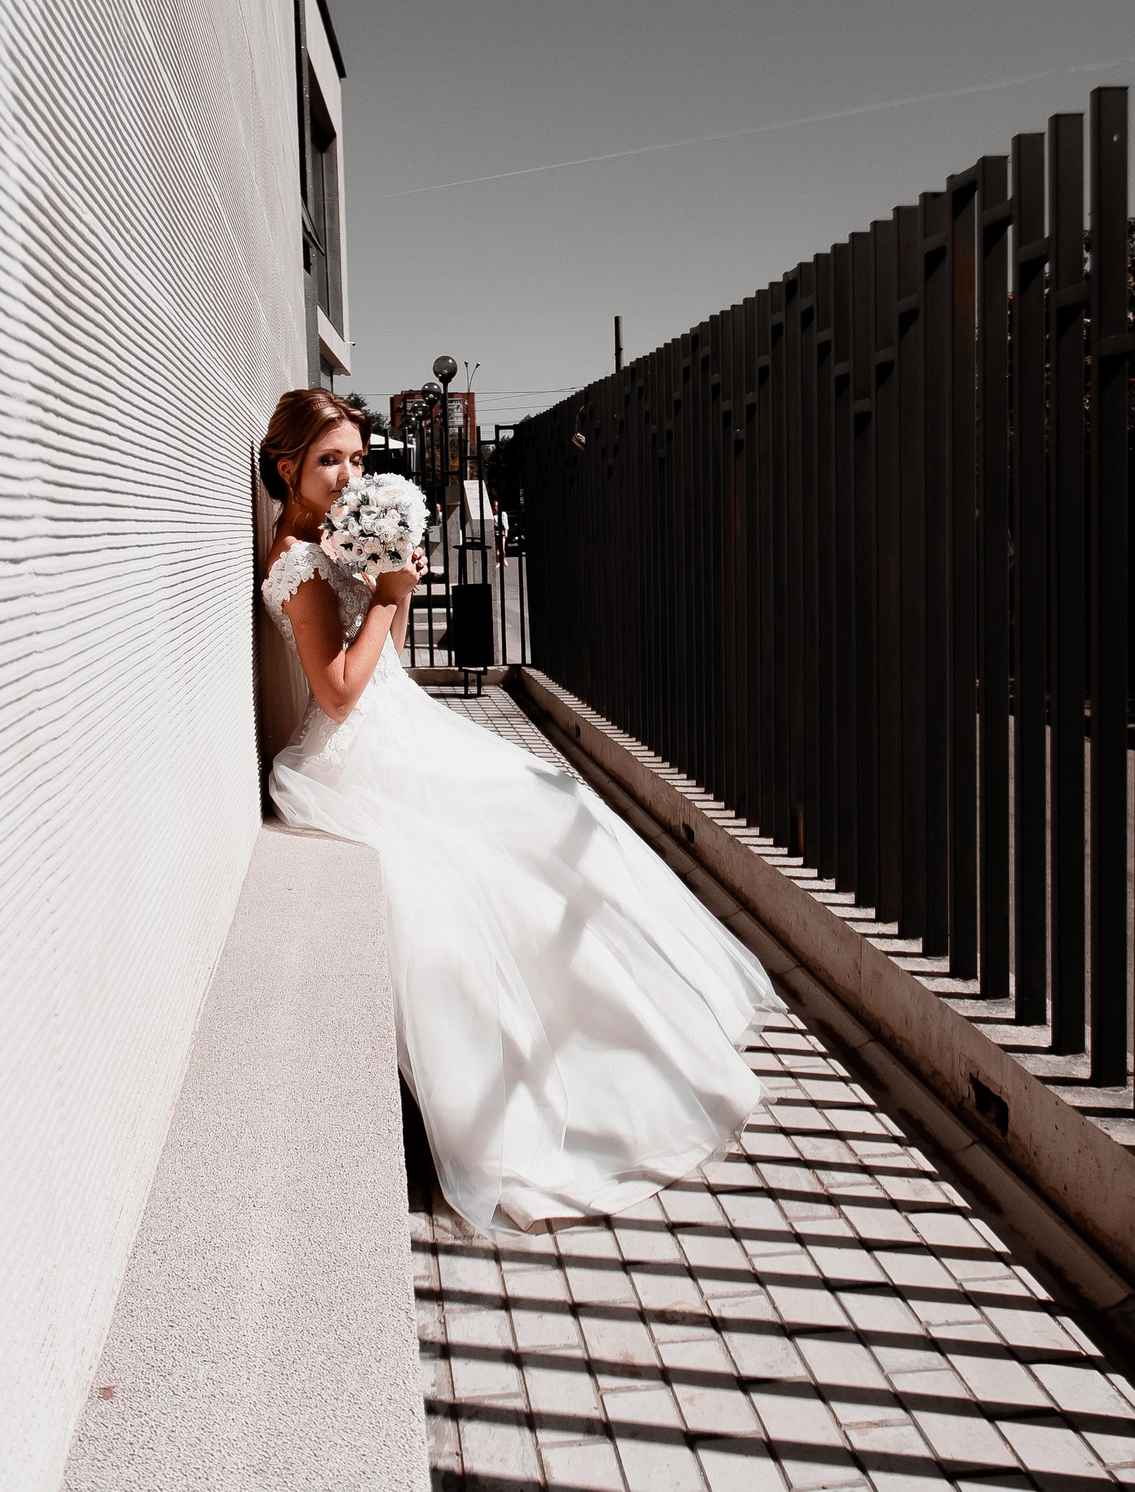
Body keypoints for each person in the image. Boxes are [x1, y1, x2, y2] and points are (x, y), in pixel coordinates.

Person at [256, 388, 776, 1233]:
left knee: (556, 817)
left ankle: (633, 1055)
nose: (350, 473)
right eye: (330, 460)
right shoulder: (295, 562)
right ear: (289, 468)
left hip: (404, 731)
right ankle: (574, 1094)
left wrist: (398, 590)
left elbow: (380, 662)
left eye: (356, 457)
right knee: (501, 879)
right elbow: (339, 695)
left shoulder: (327, 541)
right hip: (362, 759)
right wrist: (386, 592)